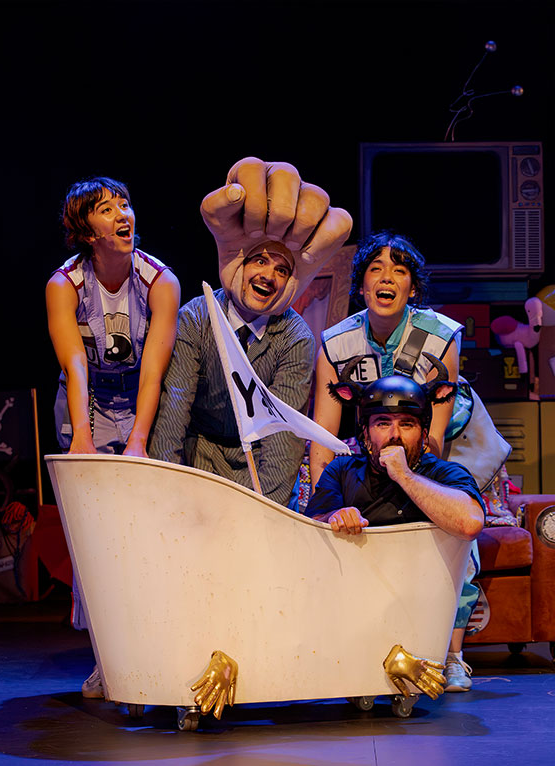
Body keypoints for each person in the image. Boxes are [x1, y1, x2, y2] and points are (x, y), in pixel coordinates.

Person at [308, 232, 506, 690]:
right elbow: (324, 433)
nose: (386, 278)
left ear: (412, 288)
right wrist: (328, 500)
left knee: (453, 533)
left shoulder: (440, 335)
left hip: (438, 441)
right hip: (373, 443)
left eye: (398, 271)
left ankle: (451, 654)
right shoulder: (337, 343)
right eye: (375, 269)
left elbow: (433, 436)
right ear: (361, 285)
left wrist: (410, 478)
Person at [149, 157, 352, 507]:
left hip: (259, 467)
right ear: (241, 263)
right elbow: (175, 406)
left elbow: (284, 434)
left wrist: (266, 508)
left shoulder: (295, 337)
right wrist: (161, 487)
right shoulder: (197, 316)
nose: (268, 276)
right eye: (260, 260)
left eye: (282, 270)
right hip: (200, 459)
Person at [46, 176, 180, 697]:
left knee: (147, 525)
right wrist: (82, 434)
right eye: (106, 209)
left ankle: (152, 647)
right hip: (88, 399)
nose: (123, 214)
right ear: (86, 231)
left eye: (125, 204)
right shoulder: (65, 284)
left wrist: (139, 438)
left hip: (141, 396)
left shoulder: (159, 281)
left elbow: (154, 369)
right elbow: (74, 363)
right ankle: (107, 657)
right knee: (94, 532)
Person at [305, 373, 486, 692]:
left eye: (407, 424)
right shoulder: (342, 471)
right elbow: (309, 528)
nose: (394, 435)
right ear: (365, 432)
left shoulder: (444, 474)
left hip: (418, 610)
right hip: (352, 610)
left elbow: (470, 523)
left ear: (423, 432)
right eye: (382, 423)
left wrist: (404, 475)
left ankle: (451, 657)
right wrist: (335, 515)